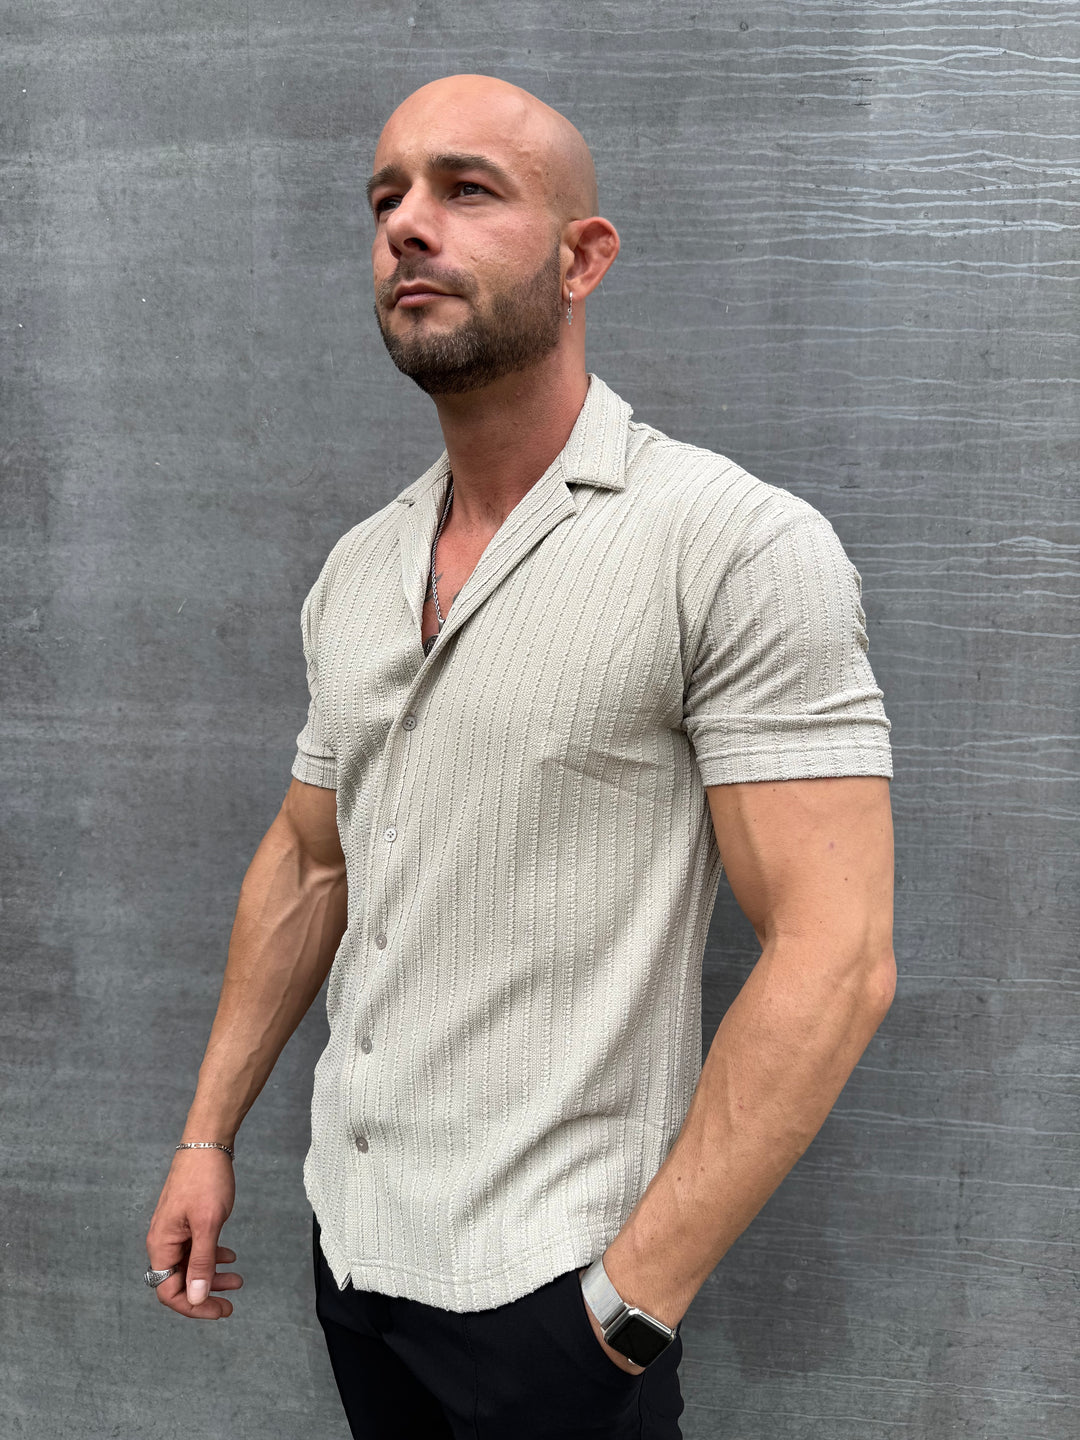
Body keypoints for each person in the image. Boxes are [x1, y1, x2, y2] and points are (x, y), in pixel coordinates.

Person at [144, 73, 896, 1440]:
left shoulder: (730, 545)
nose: (406, 225)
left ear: (581, 257)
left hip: (558, 1292)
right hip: (352, 1251)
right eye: (386, 197)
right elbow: (311, 862)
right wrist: (209, 1134)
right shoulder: (360, 570)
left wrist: (629, 1305)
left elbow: (835, 957)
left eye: (466, 188)